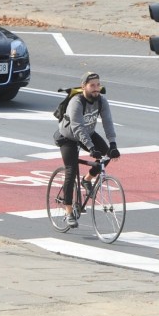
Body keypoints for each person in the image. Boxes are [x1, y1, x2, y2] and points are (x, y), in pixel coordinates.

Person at [53, 71, 120, 228]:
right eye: (92, 85)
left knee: (107, 156)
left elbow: (108, 122)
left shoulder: (102, 101)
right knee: (71, 171)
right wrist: (90, 147)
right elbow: (77, 127)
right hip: (69, 137)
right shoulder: (76, 102)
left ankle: (87, 179)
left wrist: (113, 144)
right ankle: (68, 212)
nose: (96, 88)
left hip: (88, 133)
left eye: (98, 84)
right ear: (83, 86)